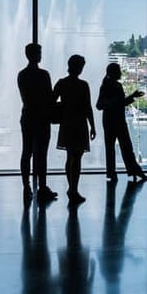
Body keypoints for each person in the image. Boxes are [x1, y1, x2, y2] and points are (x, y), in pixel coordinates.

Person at [53, 55, 96, 206]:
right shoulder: (83, 85)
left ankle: (72, 188)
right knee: (76, 158)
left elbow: (52, 102)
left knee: (70, 156)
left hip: (66, 123)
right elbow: (88, 107)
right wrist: (93, 126)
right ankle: (73, 189)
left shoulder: (61, 83)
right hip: (79, 124)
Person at [17, 42, 56, 204]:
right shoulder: (43, 75)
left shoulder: (22, 75)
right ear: (35, 55)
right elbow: (49, 97)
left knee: (27, 152)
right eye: (39, 52)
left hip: (27, 116)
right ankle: (42, 187)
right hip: (42, 117)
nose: (41, 55)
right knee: (42, 154)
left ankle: (26, 186)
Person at [96, 63, 147, 182]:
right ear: (114, 73)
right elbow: (110, 104)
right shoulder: (115, 86)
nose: (120, 73)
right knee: (126, 147)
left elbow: (102, 105)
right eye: (119, 71)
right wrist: (130, 97)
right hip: (118, 120)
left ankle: (112, 174)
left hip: (109, 120)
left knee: (111, 148)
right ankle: (134, 170)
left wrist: (130, 97)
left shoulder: (106, 86)